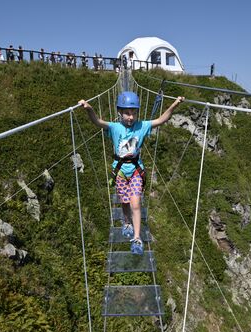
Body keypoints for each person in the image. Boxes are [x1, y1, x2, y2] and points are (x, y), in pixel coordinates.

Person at [78, 92, 185, 255]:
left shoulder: (142, 126)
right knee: (125, 202)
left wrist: (174, 105)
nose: (131, 117)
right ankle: (126, 221)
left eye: (134, 113)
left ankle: (136, 238)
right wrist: (89, 109)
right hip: (120, 171)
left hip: (135, 170)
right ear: (119, 112)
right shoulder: (115, 128)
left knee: (135, 204)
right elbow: (97, 122)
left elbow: (162, 119)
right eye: (127, 113)